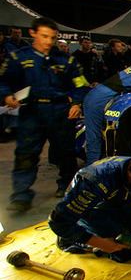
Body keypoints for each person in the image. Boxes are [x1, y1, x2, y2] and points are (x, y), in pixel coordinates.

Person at [0, 17, 89, 212]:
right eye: (44, 36)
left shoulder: (67, 60)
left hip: (60, 112)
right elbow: (4, 81)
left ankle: (66, 186)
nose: (49, 41)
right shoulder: (19, 57)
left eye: (53, 37)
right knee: (26, 153)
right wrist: (6, 95)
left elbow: (80, 84)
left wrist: (76, 102)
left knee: (66, 153)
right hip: (31, 112)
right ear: (33, 33)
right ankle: (21, 195)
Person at [48, 148, 131, 262]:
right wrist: (102, 244)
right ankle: (70, 239)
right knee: (126, 252)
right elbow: (58, 221)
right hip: (91, 209)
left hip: (115, 198)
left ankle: (112, 229)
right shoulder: (96, 183)